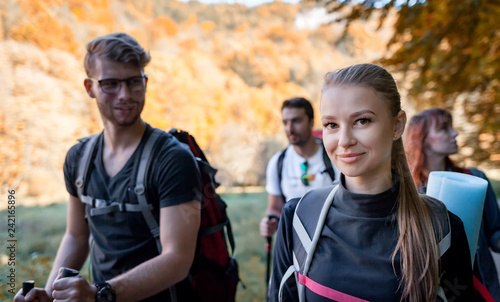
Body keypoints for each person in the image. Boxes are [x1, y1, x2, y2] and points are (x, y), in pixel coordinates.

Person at [14, 33, 202, 302]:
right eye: (110, 84)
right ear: (90, 88)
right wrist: (50, 293)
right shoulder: (78, 158)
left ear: (145, 83)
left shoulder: (173, 159)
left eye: (133, 82)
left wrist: (99, 293)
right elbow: (77, 236)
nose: (124, 95)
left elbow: (178, 259)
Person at [269, 64, 474, 301]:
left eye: (362, 121)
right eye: (331, 125)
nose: (344, 140)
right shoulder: (299, 219)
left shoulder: (442, 228)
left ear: (397, 125)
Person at [405, 107, 500, 301]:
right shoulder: (409, 192)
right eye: (444, 129)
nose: (455, 133)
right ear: (422, 139)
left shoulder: (474, 178)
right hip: (438, 292)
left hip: (483, 288)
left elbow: (495, 233)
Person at [260, 97, 340, 238]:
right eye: (285, 122)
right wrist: (269, 222)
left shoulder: (333, 156)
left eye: (296, 121)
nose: (289, 129)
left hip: (331, 240)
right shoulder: (278, 162)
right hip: (293, 244)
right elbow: (275, 208)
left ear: (311, 122)